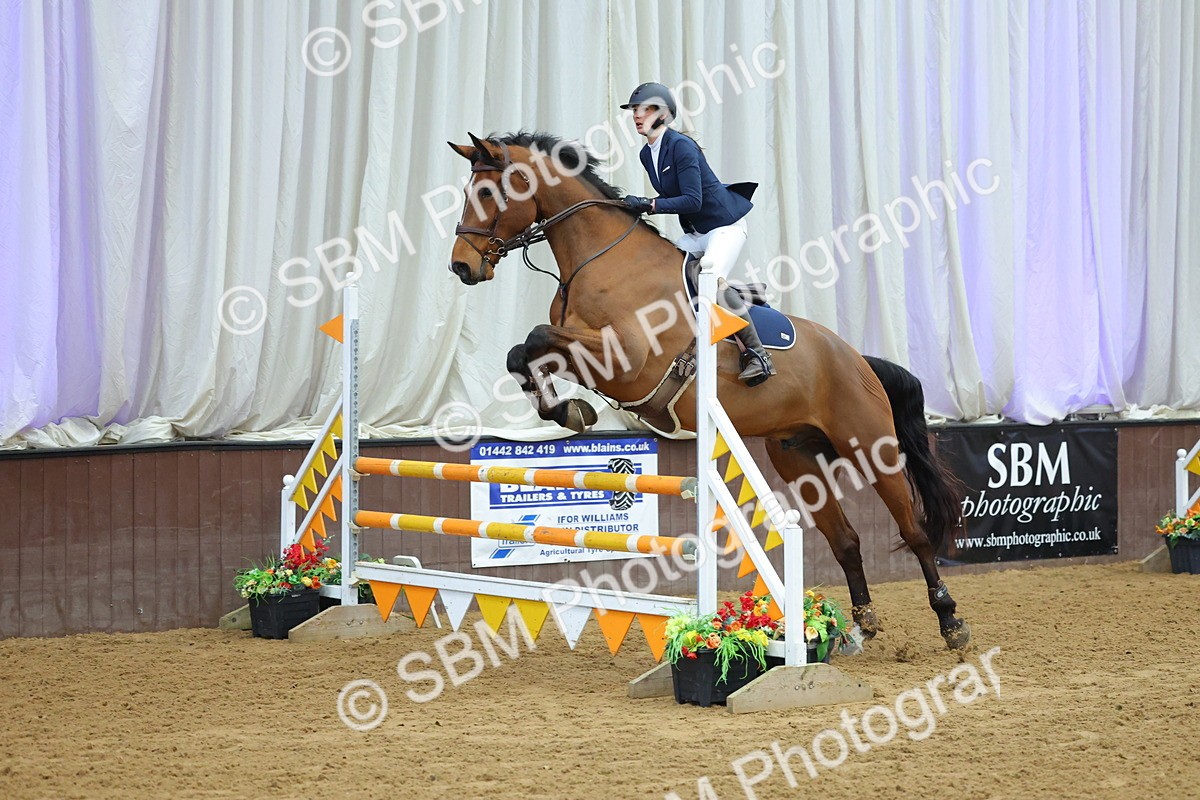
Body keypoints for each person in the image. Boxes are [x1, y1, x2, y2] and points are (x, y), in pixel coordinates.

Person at [619, 82, 775, 385]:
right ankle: (739, 296)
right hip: (695, 232)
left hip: (724, 227)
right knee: (659, 268)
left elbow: (693, 200)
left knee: (708, 274)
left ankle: (757, 354)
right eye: (634, 110)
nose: (637, 115)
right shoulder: (646, 154)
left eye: (645, 109)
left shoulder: (681, 146)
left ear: (663, 114)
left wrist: (648, 204)